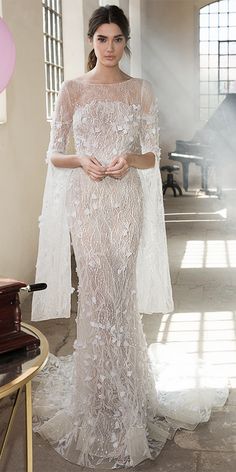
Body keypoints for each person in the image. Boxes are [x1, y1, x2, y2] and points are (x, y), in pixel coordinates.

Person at [31, 4, 228, 469]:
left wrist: (127, 160)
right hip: (87, 201)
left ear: (126, 43)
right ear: (90, 41)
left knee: (119, 294)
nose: (110, 48)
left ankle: (129, 400)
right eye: (102, 39)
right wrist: (82, 160)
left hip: (124, 205)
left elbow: (149, 155)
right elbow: (54, 155)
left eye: (118, 39)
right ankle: (94, 402)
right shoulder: (72, 90)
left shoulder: (140, 90)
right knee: (96, 295)